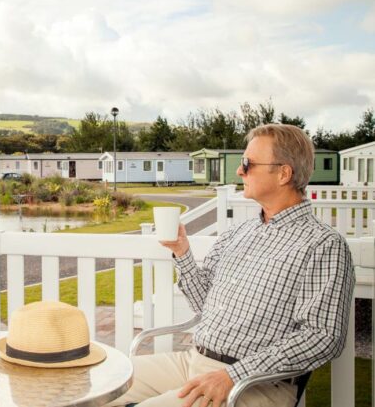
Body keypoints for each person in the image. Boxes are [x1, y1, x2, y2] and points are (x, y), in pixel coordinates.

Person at [109, 124, 355, 407]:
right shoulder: (239, 232)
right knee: (98, 384)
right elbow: (205, 303)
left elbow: (322, 337)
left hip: (257, 383)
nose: (239, 171)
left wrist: (232, 376)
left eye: (247, 164)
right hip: (193, 361)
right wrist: (182, 252)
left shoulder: (322, 244)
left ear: (283, 174)